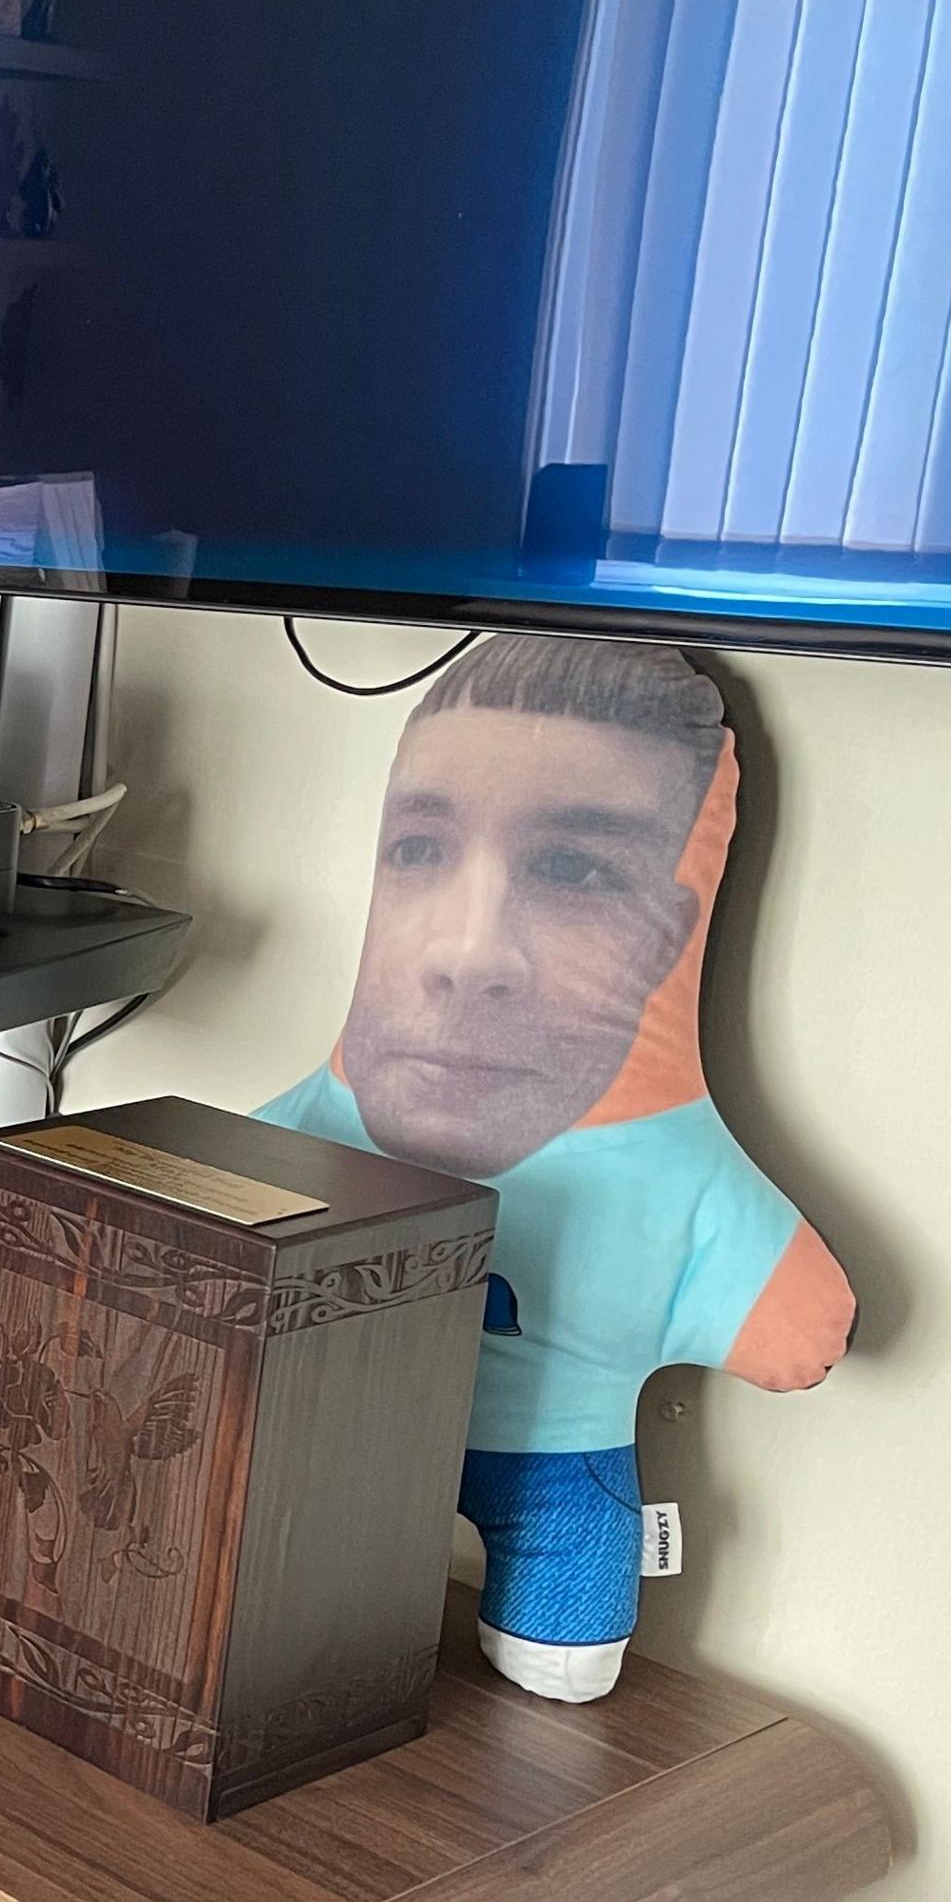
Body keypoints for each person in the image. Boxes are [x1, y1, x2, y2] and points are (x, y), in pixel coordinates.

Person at [258, 635, 852, 1704]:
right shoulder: (308, 1122)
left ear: (669, 933)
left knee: (562, 1672)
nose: (467, 950)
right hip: (318, 1463)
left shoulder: (675, 1172)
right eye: (420, 851)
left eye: (571, 869)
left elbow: (800, 1327)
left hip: (557, 1471)